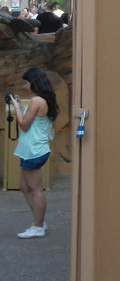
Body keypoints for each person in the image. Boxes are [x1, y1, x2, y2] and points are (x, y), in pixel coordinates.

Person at [7, 67, 59, 239]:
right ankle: (39, 220)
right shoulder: (43, 99)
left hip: (34, 150)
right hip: (31, 149)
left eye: (26, 82)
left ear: (33, 83)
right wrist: (21, 105)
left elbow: (23, 124)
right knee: (24, 186)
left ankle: (38, 227)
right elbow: (32, 121)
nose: (24, 86)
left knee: (36, 190)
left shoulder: (37, 100)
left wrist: (15, 105)